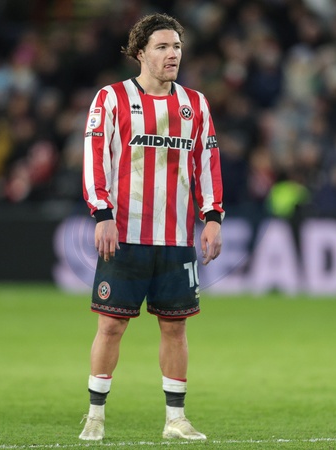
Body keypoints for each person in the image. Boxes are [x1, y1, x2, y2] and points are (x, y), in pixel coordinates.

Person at [79, 13, 224, 441]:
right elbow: (94, 158)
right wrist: (102, 214)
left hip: (176, 239)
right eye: (162, 47)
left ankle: (176, 419)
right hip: (124, 235)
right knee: (111, 326)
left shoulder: (195, 104)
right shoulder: (112, 98)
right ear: (140, 53)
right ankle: (95, 415)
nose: (172, 54)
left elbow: (208, 162)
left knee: (175, 327)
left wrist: (213, 217)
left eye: (176, 46)